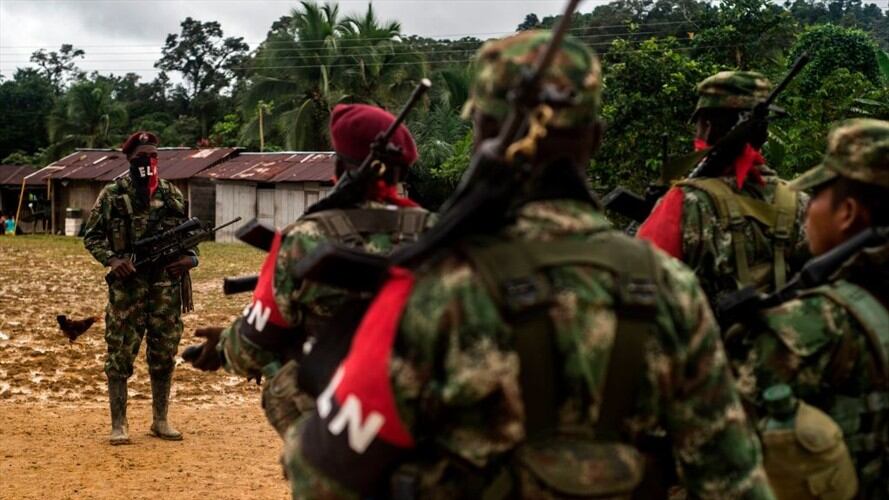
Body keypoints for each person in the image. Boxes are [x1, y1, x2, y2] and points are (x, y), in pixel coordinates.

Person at [281, 31, 774, 499]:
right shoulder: (671, 288)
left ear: (482, 138)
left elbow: (322, 475)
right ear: (596, 138)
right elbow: (732, 479)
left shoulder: (437, 284)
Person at [187, 104, 432, 438]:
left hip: (338, 417)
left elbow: (254, 345)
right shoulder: (436, 233)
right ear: (401, 172)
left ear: (337, 167)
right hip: (423, 408)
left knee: (281, 366)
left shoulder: (306, 237)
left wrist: (223, 349)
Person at [727, 119, 889, 499]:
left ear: (847, 212)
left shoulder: (806, 328)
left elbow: (725, 455)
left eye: (817, 194)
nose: (807, 208)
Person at [637, 71, 809, 307]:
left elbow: (640, 290)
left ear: (706, 127)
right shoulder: (801, 202)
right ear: (764, 135)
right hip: (785, 340)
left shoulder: (684, 203)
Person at [83, 131, 197, 445]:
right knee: (119, 356)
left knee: (164, 354)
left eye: (153, 157)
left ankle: (160, 420)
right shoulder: (112, 195)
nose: (148, 163)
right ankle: (119, 425)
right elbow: (91, 236)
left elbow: (188, 239)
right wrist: (112, 260)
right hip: (127, 291)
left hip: (166, 291)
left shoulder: (172, 194)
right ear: (129, 160)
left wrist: (191, 260)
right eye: (140, 158)